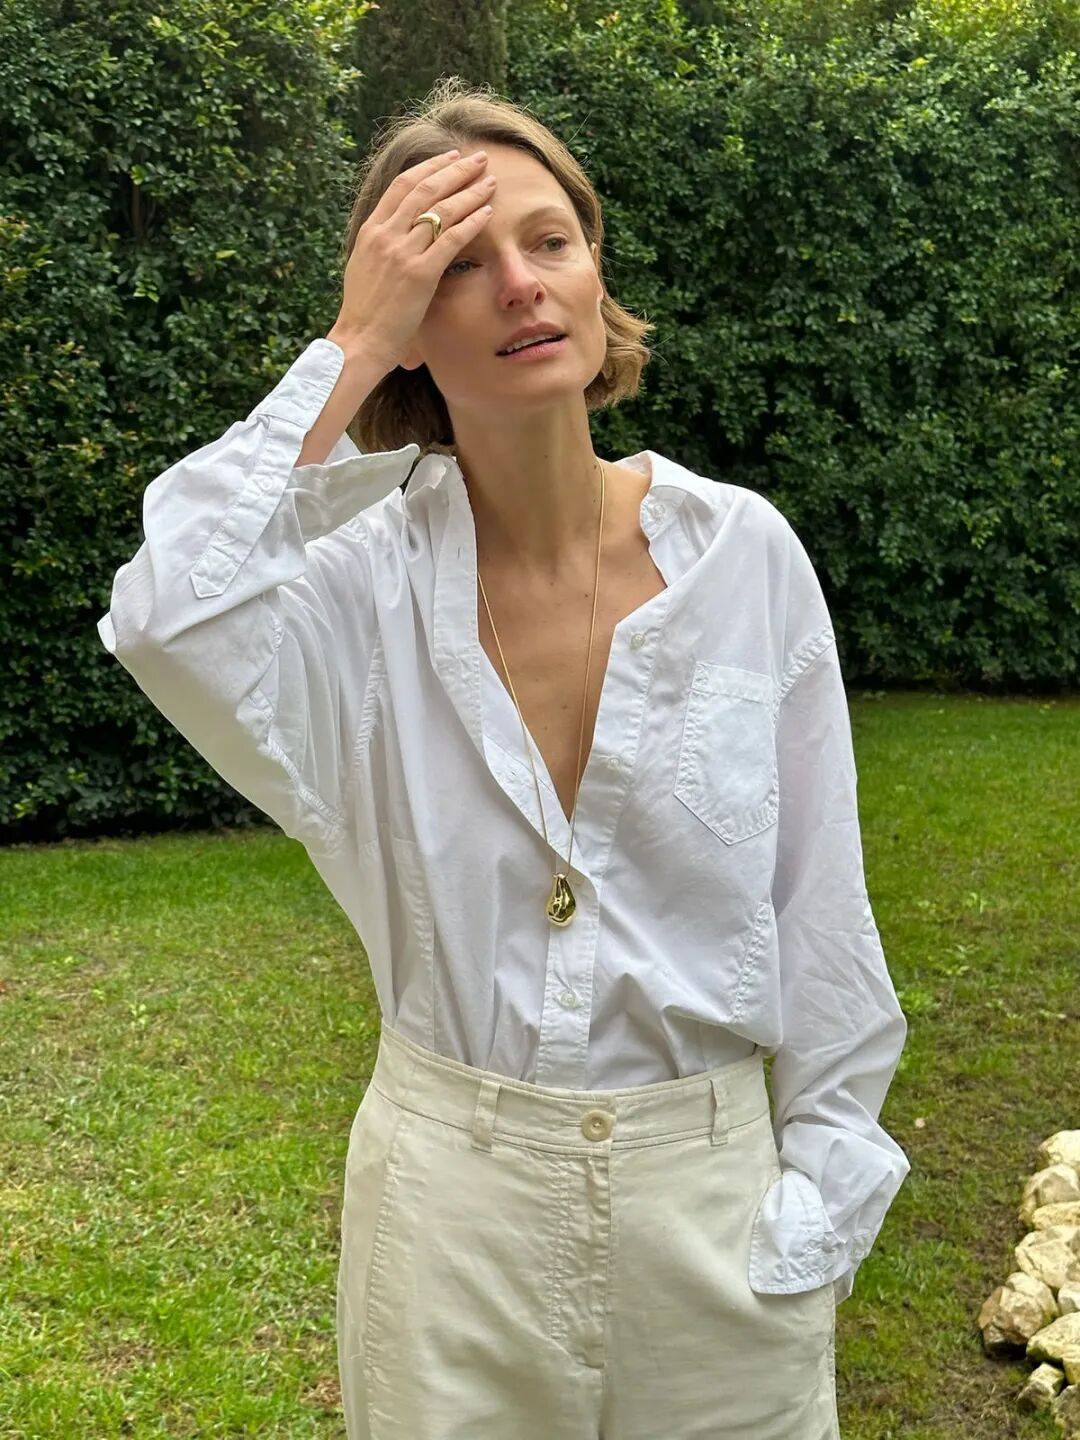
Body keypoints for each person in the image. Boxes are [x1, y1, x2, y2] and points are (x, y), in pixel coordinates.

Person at [96, 78, 910, 1440]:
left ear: (597, 272)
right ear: (413, 324)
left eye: (550, 241)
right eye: (457, 266)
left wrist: (821, 1195)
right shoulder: (356, 591)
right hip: (449, 1234)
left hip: (718, 1220)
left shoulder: (742, 556)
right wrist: (350, 344)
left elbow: (818, 903)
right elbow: (166, 612)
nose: (521, 285)